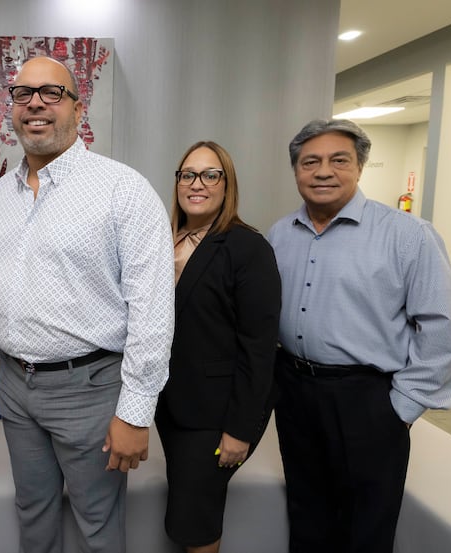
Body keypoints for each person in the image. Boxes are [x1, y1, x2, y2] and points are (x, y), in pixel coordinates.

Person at [0, 56, 174, 553]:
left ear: (77, 108)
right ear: (13, 108)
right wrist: (0, 358)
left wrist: (134, 412)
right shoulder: (1, 193)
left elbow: (152, 310)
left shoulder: (122, 189)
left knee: (97, 522)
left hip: (91, 389)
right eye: (24, 94)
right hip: (17, 389)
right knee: (33, 509)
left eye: (52, 93)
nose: (36, 104)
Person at [269, 119, 451, 553]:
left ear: (359, 167)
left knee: (367, 521)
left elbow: (441, 327)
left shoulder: (408, 235)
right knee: (307, 509)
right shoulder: (280, 234)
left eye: (339, 160)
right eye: (310, 162)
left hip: (368, 398)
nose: (323, 172)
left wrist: (402, 408)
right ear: (297, 171)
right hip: (295, 392)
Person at [156, 141, 281, 553]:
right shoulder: (164, 240)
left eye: (211, 175)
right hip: (173, 406)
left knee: (195, 523)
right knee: (189, 512)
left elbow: (259, 347)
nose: (197, 184)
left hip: (217, 414)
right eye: (187, 174)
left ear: (227, 185)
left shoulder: (247, 248)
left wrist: (239, 431)